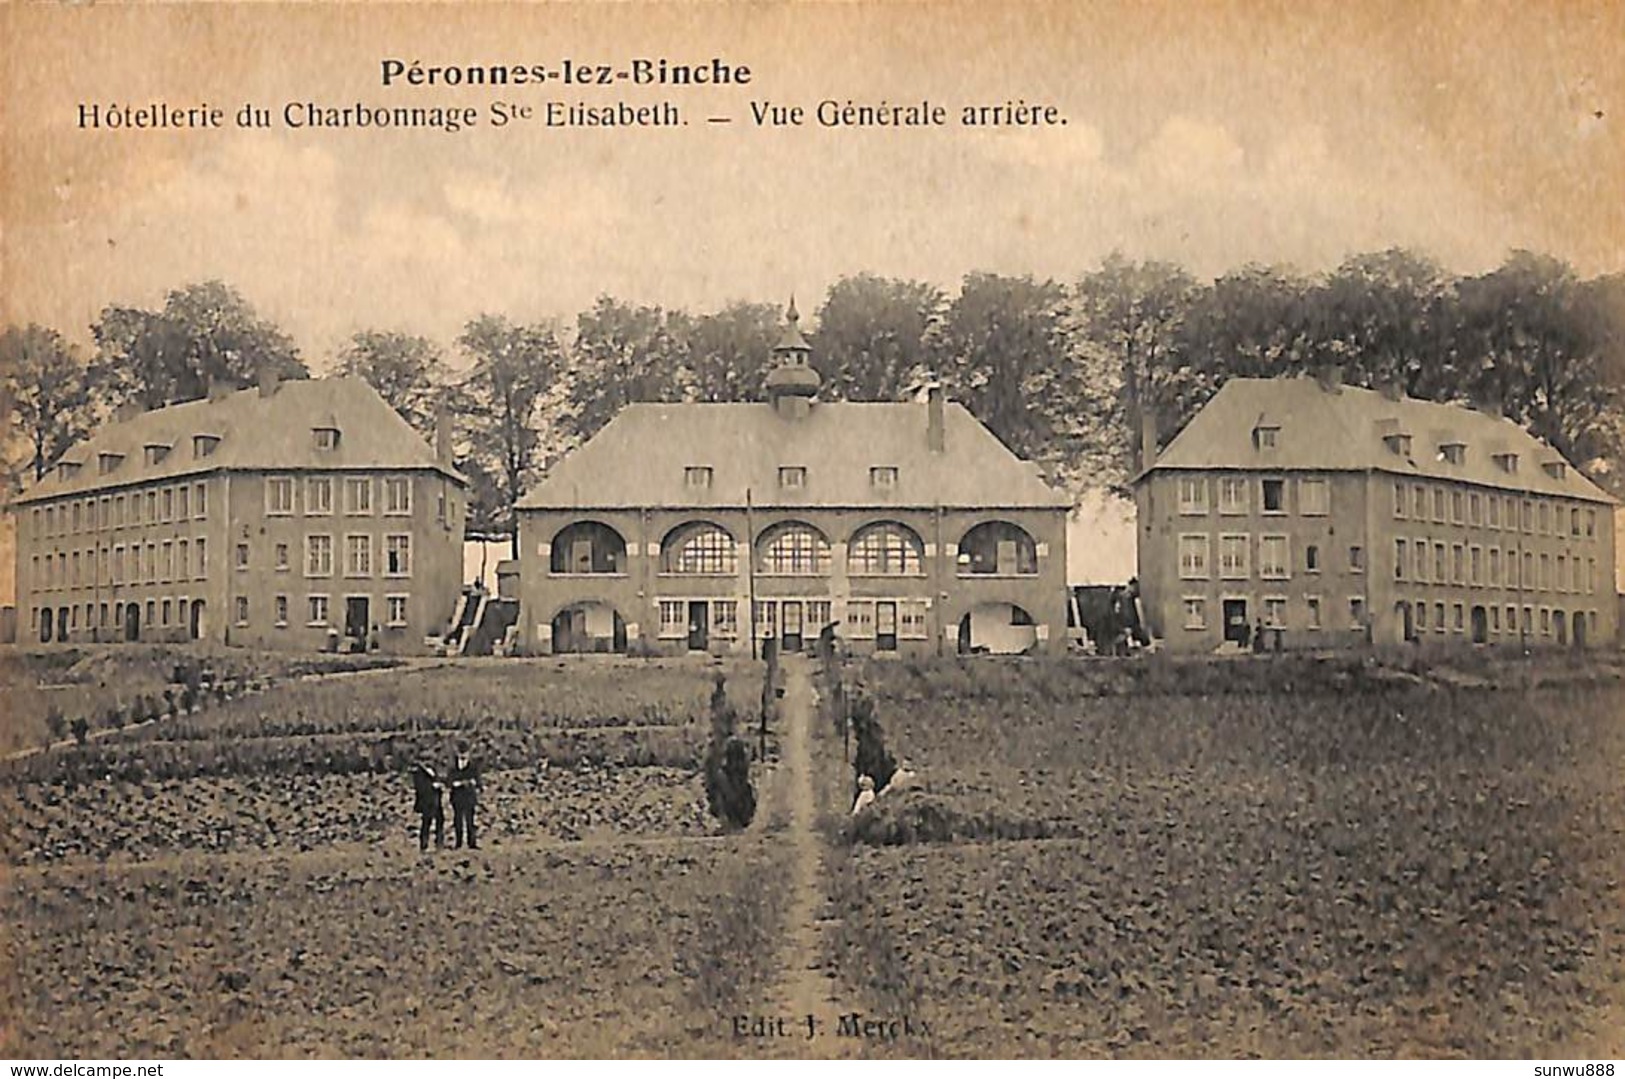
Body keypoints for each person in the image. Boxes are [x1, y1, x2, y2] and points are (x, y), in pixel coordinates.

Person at [449, 745, 481, 850]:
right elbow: (449, 781)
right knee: (458, 821)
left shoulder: (473, 766)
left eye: (465, 753)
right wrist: (457, 783)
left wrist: (475, 784)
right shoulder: (453, 766)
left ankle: (472, 843)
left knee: (470, 821)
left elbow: (478, 781)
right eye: (461, 753)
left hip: (469, 797)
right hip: (457, 797)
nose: (463, 755)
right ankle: (458, 843)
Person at [411, 761, 445, 852]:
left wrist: (438, 787)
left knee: (439, 820)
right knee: (426, 822)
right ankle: (424, 844)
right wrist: (432, 786)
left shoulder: (433, 770)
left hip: (436, 800)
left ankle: (439, 842)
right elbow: (420, 788)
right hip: (426, 801)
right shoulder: (419, 773)